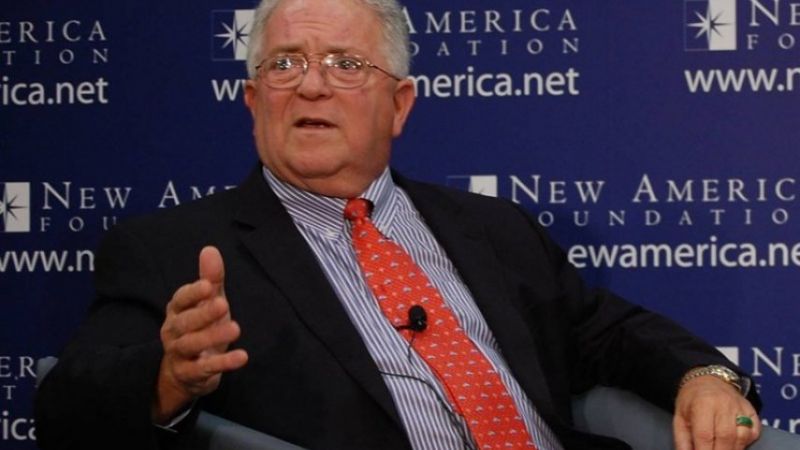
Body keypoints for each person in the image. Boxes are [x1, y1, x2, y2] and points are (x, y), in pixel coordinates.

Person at [35, 0, 762, 449]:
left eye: (345, 64)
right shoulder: (172, 250)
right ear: (254, 101)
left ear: (401, 105)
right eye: (285, 63)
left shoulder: (492, 228)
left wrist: (704, 376)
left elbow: (609, 332)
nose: (311, 84)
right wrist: (167, 378)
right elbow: (66, 411)